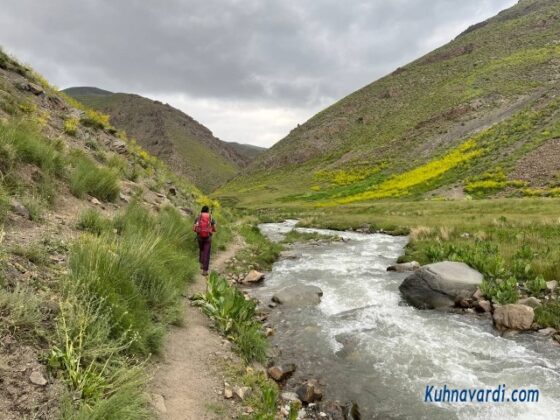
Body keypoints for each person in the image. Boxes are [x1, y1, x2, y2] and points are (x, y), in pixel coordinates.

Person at [193, 205, 216, 276]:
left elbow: (194, 228)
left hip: (199, 236)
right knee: (207, 252)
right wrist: (212, 230)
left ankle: (201, 263)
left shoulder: (198, 217)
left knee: (201, 249)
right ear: (208, 211)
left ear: (202, 210)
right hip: (208, 237)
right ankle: (205, 271)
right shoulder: (210, 217)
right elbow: (214, 228)